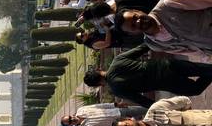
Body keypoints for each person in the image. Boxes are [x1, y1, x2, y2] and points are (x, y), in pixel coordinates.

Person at [84, 45, 212, 108]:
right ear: (99, 69)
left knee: (195, 89)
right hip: (166, 64)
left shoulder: (117, 89)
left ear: (99, 85)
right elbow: (143, 47)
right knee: (202, 69)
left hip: (166, 82)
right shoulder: (117, 60)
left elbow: (142, 100)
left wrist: (162, 107)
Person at [115, 0, 212, 58]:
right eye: (133, 26)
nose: (138, 22)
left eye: (135, 17)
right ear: (133, 34)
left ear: (137, 11)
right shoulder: (155, 44)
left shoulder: (169, 4)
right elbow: (193, 52)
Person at [60, 103, 146, 126]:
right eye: (70, 122)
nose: (72, 119)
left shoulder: (81, 109)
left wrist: (115, 104)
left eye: (70, 117)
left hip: (118, 112)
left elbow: (100, 106)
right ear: (70, 125)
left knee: (144, 109)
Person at [75, 28, 143, 50]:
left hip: (120, 34)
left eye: (81, 33)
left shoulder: (90, 35)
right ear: (82, 41)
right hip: (123, 40)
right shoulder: (93, 44)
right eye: (81, 36)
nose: (83, 34)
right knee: (143, 38)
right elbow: (107, 43)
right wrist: (107, 30)